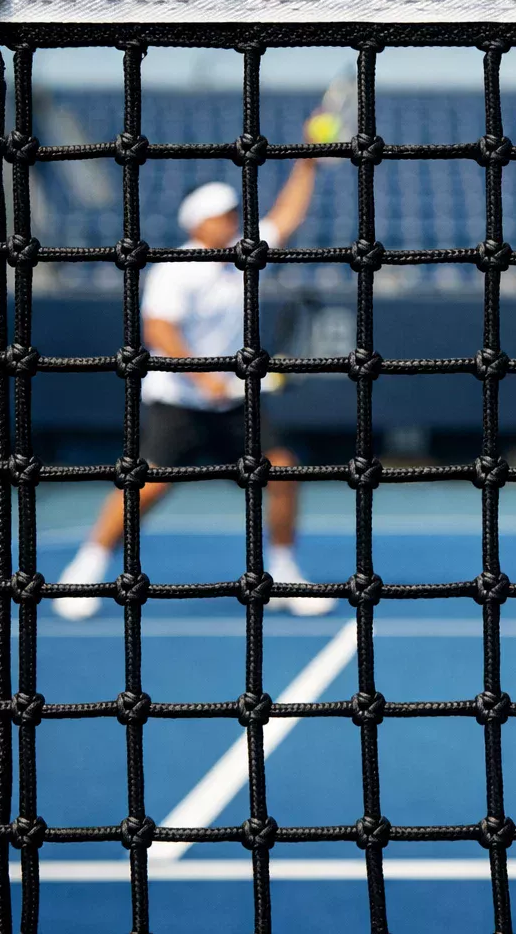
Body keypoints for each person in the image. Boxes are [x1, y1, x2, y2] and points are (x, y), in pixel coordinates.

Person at [55, 150, 327, 619]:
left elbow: (286, 216)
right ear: (199, 224)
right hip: (179, 399)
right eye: (224, 216)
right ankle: (87, 567)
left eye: (233, 215)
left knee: (283, 472)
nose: (233, 221)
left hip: (233, 402)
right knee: (147, 486)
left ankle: (282, 572)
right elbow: (159, 330)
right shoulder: (173, 269)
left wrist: (307, 162)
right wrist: (205, 380)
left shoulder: (242, 255)